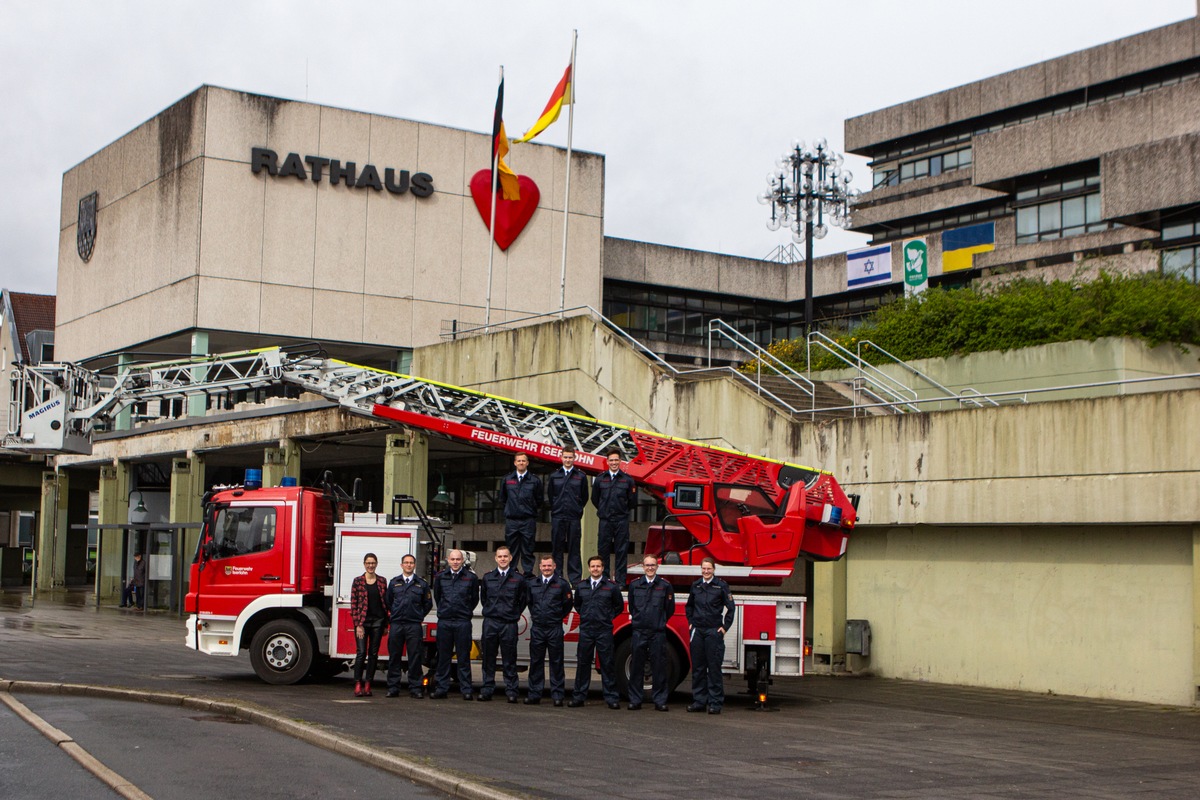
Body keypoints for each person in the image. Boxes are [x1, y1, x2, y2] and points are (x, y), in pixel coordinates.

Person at [568, 555, 624, 709]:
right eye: (592, 566)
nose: (595, 569)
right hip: (586, 629)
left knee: (607, 664)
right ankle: (579, 696)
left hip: (604, 630)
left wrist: (607, 617)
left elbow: (618, 606)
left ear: (603, 568)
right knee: (583, 664)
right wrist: (586, 616)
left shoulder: (611, 587)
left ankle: (611, 697)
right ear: (588, 568)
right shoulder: (581, 586)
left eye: (598, 566)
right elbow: (578, 605)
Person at [685, 557, 736, 715]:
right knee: (698, 668)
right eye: (704, 569)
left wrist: (724, 628)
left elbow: (731, 608)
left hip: (713, 631)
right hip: (698, 631)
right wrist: (691, 623)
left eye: (709, 569)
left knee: (713, 668)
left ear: (714, 569)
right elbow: (689, 606)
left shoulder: (721, 586)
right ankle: (699, 701)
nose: (706, 571)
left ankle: (715, 703)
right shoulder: (696, 585)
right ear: (701, 570)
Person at [478, 545, 528, 702]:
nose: (503, 559)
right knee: (488, 658)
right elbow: (484, 598)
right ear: (495, 558)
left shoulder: (518, 579)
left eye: (505, 556)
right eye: (500, 556)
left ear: (510, 558)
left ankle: (512, 691)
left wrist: (513, 613)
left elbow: (523, 600)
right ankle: (487, 689)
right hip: (491, 622)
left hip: (509, 623)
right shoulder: (488, 577)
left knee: (509, 658)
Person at [625, 555, 675, 711]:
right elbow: (632, 607)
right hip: (639, 630)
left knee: (659, 667)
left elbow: (669, 608)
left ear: (657, 567)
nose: (650, 568)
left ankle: (659, 700)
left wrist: (659, 621)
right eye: (647, 565)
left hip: (657, 632)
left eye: (653, 565)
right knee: (636, 667)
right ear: (643, 567)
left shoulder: (665, 586)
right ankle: (635, 699)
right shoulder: (635, 585)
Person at [431, 549, 480, 700]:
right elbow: (438, 597)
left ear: (463, 560)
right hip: (445, 621)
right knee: (443, 657)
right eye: (452, 559)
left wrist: (464, 611)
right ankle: (442, 688)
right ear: (447, 560)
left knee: (463, 657)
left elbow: (474, 599)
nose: (455, 562)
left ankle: (466, 689)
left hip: (462, 622)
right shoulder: (440, 577)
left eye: (458, 559)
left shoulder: (471, 578)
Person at [524, 555, 572, 706]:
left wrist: (556, 617)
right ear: (539, 567)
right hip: (538, 627)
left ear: (554, 566)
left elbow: (568, 605)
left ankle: (557, 695)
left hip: (554, 628)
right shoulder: (532, 583)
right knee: (536, 662)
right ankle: (534, 694)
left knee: (556, 663)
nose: (546, 568)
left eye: (549, 566)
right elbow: (530, 603)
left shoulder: (562, 584)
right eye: (544, 566)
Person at [385, 553, 433, 698]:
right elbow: (388, 601)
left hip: (414, 625)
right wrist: (396, 614)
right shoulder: (394, 583)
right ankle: (393, 687)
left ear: (414, 565)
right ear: (401, 565)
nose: (408, 565)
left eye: (411, 563)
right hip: (397, 624)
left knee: (415, 657)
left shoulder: (421, 584)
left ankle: (416, 688)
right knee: (394, 656)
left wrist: (418, 615)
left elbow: (428, 604)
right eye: (406, 562)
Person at [592, 449, 637, 585]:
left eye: (616, 460)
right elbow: (595, 499)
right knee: (603, 550)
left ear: (620, 461)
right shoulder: (600, 479)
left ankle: (620, 581)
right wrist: (604, 510)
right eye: (611, 460)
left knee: (621, 551)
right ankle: (604, 579)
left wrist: (621, 511)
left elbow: (632, 501)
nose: (614, 463)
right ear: (607, 462)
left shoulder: (628, 480)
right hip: (605, 520)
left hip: (621, 520)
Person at [546, 446, 589, 584]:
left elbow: (585, 497)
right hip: (558, 516)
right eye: (565, 457)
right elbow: (551, 495)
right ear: (561, 458)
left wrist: (576, 508)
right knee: (557, 548)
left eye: (570, 457)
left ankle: (575, 580)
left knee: (574, 549)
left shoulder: (581, 476)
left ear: (574, 458)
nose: (568, 460)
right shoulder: (554, 476)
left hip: (574, 517)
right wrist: (557, 507)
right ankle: (557, 577)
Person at [350, 552, 388, 697]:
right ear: (364, 564)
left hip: (378, 621)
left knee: (373, 654)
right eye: (368, 563)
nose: (370, 565)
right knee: (361, 653)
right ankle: (358, 683)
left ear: (376, 564)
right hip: (362, 622)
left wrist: (385, 624)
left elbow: (385, 603)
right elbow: (354, 604)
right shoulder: (358, 581)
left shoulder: (382, 581)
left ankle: (368, 683)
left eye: (373, 563)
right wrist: (358, 624)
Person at [498, 453, 542, 574]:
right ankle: (511, 573)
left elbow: (539, 500)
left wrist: (530, 509)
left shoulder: (534, 480)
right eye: (519, 461)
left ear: (527, 463)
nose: (521, 463)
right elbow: (502, 499)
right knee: (511, 549)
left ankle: (528, 573)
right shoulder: (507, 479)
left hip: (528, 520)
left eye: (523, 461)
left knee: (528, 549)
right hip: (512, 520)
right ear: (515, 463)